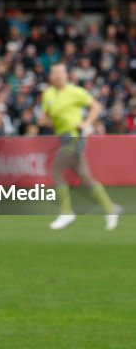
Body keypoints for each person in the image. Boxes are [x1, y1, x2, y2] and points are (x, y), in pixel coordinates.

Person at [40, 63, 122, 231]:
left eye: (61, 73)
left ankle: (67, 213)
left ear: (66, 75)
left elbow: (96, 106)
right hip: (63, 137)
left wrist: (86, 123)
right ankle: (110, 209)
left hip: (74, 136)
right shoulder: (47, 94)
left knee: (56, 172)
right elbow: (45, 116)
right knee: (86, 178)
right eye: (55, 73)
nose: (58, 76)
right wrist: (47, 121)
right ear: (51, 77)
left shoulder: (75, 92)